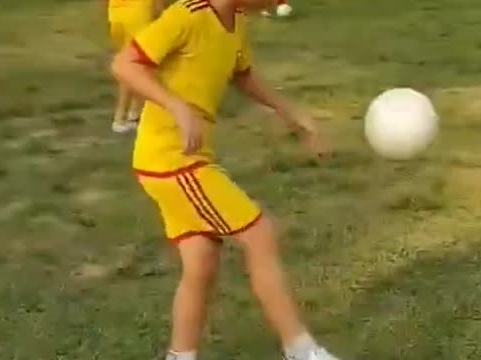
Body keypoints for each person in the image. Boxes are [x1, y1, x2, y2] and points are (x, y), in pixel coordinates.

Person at [111, 1, 340, 360]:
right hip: (172, 160)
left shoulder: (235, 22)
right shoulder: (187, 15)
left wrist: (292, 114)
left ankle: (180, 355)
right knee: (259, 233)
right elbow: (124, 63)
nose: (278, 2)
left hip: (181, 160)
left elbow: (242, 74)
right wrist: (176, 106)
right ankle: (302, 350)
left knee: (201, 260)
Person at [106, 0, 166, 133]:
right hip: (139, 15)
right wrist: (162, 16)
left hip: (116, 14)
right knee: (137, 66)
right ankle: (121, 117)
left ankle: (135, 114)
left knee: (132, 62)